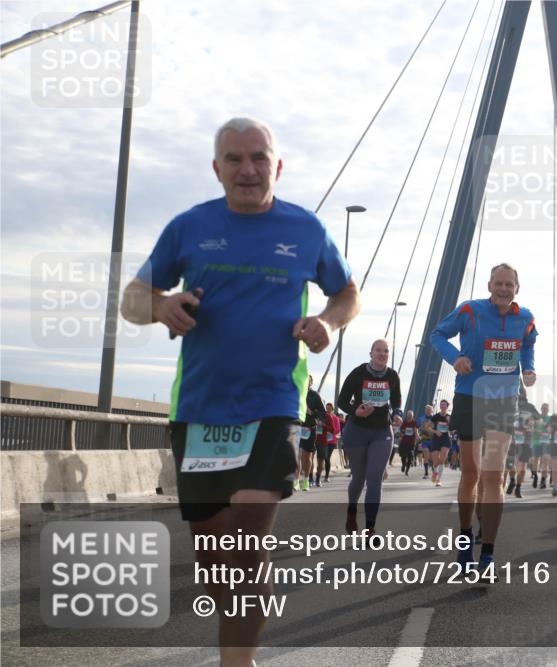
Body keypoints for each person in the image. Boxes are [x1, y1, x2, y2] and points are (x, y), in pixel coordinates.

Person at [120, 117, 358, 667]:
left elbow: (347, 291)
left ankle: (238, 662)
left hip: (273, 403)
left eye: (259, 158)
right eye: (235, 159)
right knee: (213, 556)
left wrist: (329, 322)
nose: (248, 169)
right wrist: (160, 305)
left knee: (247, 545)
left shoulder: (306, 229)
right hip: (199, 409)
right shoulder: (189, 226)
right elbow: (132, 298)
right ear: (217, 168)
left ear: (278, 166)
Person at [430, 263, 538, 576]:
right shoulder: (470, 310)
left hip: (504, 400)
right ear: (489, 286)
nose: (503, 289)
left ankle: (488, 553)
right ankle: (465, 538)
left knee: (494, 475)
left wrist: (528, 368)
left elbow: (528, 346)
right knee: (471, 473)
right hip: (470, 396)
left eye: (509, 285)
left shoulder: (525, 318)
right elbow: (438, 335)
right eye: (498, 284)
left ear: (517, 288)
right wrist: (456, 358)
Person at [337, 339, 402, 534]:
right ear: (371, 353)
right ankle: (351, 511)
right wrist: (355, 411)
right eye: (378, 350)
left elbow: (396, 399)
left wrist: (397, 413)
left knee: (375, 478)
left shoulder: (392, 376)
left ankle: (370, 528)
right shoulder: (358, 373)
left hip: (382, 432)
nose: (382, 354)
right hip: (357, 431)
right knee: (359, 479)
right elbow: (342, 401)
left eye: (386, 351)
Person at [297, 376, 326, 491]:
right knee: (296, 455)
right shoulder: (295, 392)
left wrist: (312, 413)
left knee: (306, 456)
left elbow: (323, 414)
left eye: (307, 380)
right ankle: (295, 481)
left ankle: (306, 480)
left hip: (309, 428)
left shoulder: (314, 395)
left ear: (311, 383)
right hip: (295, 427)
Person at [427, 400, 452, 486]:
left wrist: (450, 424)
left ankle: (438, 480)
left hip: (446, 439)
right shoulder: (436, 416)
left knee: (442, 460)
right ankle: (435, 472)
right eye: (441, 405)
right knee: (435, 462)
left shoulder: (449, 417)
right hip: (436, 439)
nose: (443, 406)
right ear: (440, 406)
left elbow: (453, 428)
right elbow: (427, 427)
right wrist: (435, 431)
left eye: (444, 405)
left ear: (447, 407)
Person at [317, 402, 341, 484]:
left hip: (331, 441)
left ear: (332, 409)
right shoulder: (323, 417)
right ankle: (320, 475)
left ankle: (326, 476)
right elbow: (319, 427)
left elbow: (337, 430)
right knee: (322, 458)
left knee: (327, 458)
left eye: (329, 408)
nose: (328, 410)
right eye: (327, 408)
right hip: (323, 440)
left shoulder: (335, 418)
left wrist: (330, 432)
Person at [399, 410, 419, 475]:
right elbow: (402, 431)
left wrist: (417, 438)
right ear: (407, 415)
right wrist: (401, 436)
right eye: (408, 414)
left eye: (411, 415)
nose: (410, 416)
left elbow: (416, 431)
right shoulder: (404, 422)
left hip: (411, 442)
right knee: (403, 456)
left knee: (410, 456)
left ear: (412, 416)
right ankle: (403, 465)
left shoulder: (414, 423)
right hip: (404, 441)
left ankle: (407, 470)